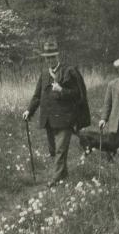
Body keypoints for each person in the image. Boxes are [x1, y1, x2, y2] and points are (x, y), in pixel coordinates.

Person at [22, 40, 90, 186]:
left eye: (52, 57)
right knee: (53, 150)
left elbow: (78, 94)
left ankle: (55, 178)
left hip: (65, 118)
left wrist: (62, 91)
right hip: (49, 119)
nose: (50, 60)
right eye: (47, 57)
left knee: (60, 149)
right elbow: (37, 95)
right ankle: (63, 175)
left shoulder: (69, 71)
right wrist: (29, 110)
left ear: (57, 56)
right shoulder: (44, 73)